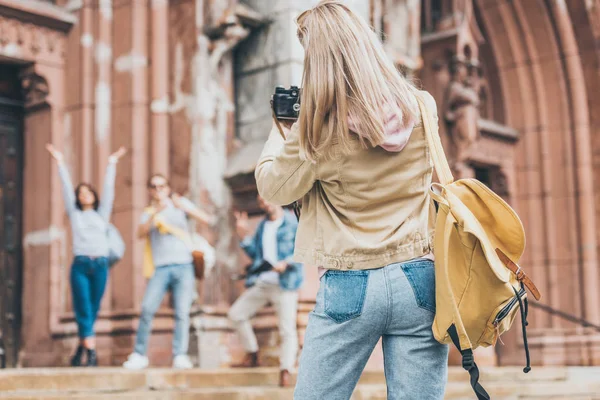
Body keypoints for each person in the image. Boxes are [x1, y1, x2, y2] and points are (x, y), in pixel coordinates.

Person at [254, 1, 449, 399]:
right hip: (419, 278)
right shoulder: (422, 106)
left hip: (350, 281)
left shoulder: (317, 130)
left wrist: (284, 127)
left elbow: (273, 188)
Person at [46, 144, 127, 367]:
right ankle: (92, 354)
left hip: (100, 264)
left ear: (93, 195)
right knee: (83, 307)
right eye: (80, 193)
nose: (84, 195)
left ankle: (80, 349)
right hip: (80, 265)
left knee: (93, 309)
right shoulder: (75, 215)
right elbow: (65, 188)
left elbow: (109, 190)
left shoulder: (102, 215)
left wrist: (112, 163)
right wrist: (60, 161)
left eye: (87, 192)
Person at [123, 173, 214, 370]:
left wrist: (183, 206)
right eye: (154, 187)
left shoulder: (179, 205)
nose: (158, 190)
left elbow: (206, 219)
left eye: (162, 186)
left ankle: (180, 355)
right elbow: (140, 233)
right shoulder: (149, 212)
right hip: (161, 267)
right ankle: (139, 354)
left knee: (182, 312)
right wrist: (156, 213)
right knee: (147, 309)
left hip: (184, 265)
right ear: (149, 191)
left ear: (168, 188)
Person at [228, 196, 303, 387]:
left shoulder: (292, 221)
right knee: (236, 314)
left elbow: (303, 248)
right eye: (261, 202)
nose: (265, 205)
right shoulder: (263, 226)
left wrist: (286, 262)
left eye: (268, 200)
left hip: (285, 283)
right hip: (264, 282)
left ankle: (286, 370)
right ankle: (252, 354)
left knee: (287, 329)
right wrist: (243, 235)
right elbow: (256, 255)